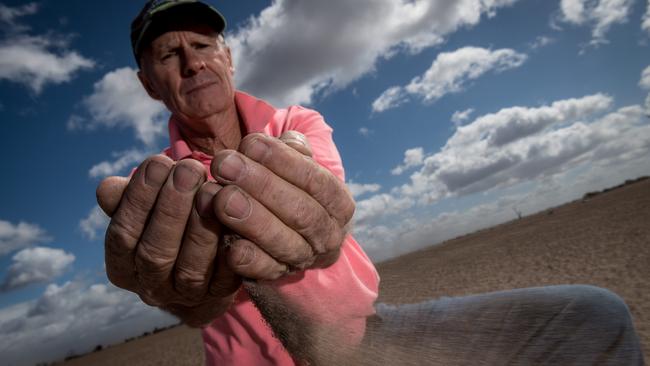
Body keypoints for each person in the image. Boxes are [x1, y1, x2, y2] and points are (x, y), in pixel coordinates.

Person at [97, 1, 646, 365]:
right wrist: (185, 296)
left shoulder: (295, 125)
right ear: (148, 84)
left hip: (369, 335)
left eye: (202, 45)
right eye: (169, 54)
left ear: (229, 57)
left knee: (592, 317)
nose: (192, 63)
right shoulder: (159, 186)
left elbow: (327, 217)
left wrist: (303, 217)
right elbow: (191, 301)